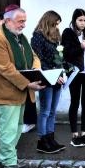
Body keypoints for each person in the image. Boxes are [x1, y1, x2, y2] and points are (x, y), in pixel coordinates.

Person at [0, 4, 45, 168]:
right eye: (20, 21)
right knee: (8, 130)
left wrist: (36, 72)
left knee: (18, 128)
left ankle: (10, 159)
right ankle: (7, 162)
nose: (23, 25)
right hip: (7, 93)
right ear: (8, 21)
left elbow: (34, 57)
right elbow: (5, 68)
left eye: (24, 21)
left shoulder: (20, 37)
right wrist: (28, 83)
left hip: (22, 93)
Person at [31, 10, 67, 154]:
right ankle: (42, 140)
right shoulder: (37, 37)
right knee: (45, 111)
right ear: (48, 22)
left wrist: (63, 71)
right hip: (46, 78)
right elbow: (38, 60)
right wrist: (53, 73)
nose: (57, 27)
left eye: (58, 24)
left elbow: (59, 57)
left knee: (52, 111)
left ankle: (51, 138)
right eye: (55, 24)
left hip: (57, 78)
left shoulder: (55, 37)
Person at [62, 8, 85, 147]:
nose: (83, 23)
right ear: (74, 20)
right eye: (80, 20)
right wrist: (80, 46)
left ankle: (84, 133)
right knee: (75, 101)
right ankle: (74, 133)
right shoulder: (68, 33)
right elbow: (66, 53)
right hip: (75, 72)